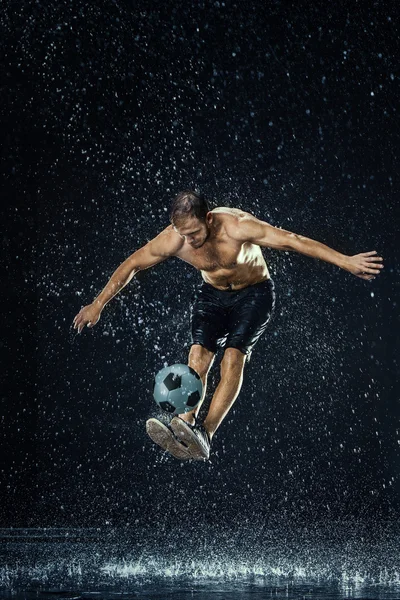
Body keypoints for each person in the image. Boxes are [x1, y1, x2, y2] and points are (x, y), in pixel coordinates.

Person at [73, 190, 384, 461]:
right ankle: (185, 425)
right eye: (183, 234)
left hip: (255, 294)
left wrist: (345, 261)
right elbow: (133, 264)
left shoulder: (236, 225)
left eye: (194, 232)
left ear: (208, 218)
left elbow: (293, 241)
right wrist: (98, 304)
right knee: (197, 357)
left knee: (232, 358)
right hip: (213, 295)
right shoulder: (175, 239)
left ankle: (206, 434)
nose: (190, 241)